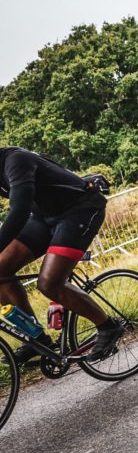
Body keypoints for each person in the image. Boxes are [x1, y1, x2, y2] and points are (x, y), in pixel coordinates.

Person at [0, 148, 124, 365]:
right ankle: (37, 339)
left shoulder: (15, 161)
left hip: (80, 210)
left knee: (49, 284)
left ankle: (108, 327)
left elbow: (19, 211)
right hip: (44, 216)